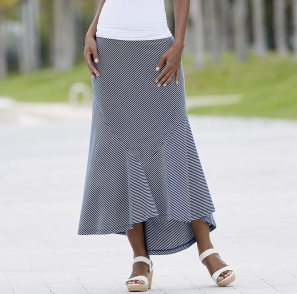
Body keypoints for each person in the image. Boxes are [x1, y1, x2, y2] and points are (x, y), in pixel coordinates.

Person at [78, 0, 235, 291]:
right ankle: (140, 259)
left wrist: (179, 44)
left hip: (157, 48)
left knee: (176, 142)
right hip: (108, 52)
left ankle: (207, 250)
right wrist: (91, 30)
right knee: (121, 149)